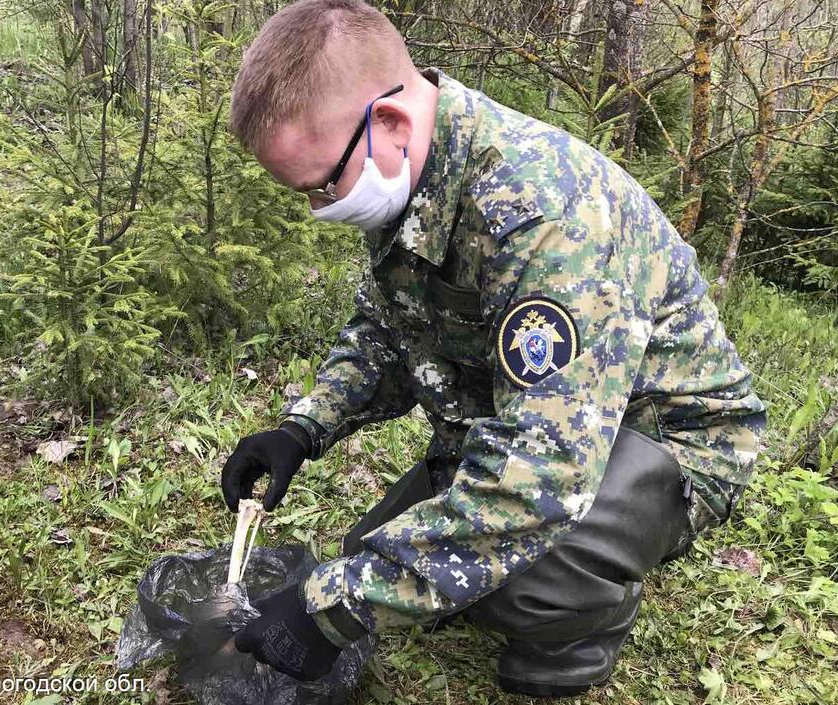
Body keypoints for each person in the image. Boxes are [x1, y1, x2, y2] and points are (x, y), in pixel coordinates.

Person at [220, 0, 767, 696]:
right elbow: (386, 330)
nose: (320, 206)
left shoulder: (543, 215)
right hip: (552, 416)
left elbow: (541, 475)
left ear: (387, 121)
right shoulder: (408, 170)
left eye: (323, 185)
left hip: (665, 434)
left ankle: (591, 612)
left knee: (506, 580)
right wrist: (301, 428)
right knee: (376, 554)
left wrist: (331, 607)